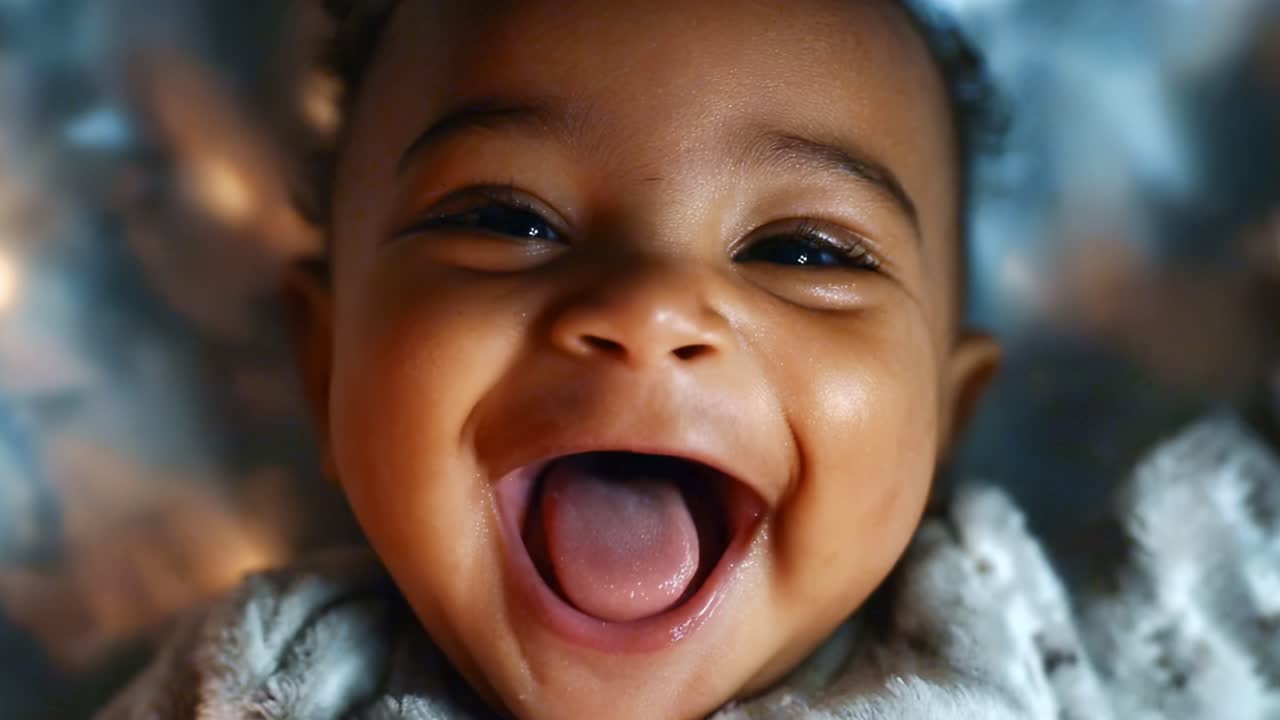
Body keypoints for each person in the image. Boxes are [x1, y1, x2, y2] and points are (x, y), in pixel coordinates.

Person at [99, 1, 1280, 718]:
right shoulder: (263, 679)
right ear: (327, 364)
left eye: (801, 246)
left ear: (941, 416)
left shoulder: (1025, 630)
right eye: (507, 222)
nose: (651, 306)